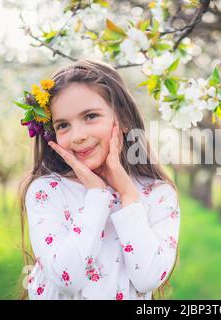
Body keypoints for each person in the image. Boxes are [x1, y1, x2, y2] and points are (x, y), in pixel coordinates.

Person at [16, 59, 180, 300]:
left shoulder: (157, 194)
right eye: (63, 125)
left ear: (122, 119)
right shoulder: (46, 191)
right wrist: (96, 195)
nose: (78, 135)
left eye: (90, 116)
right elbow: (67, 279)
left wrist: (128, 196)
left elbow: (147, 279)